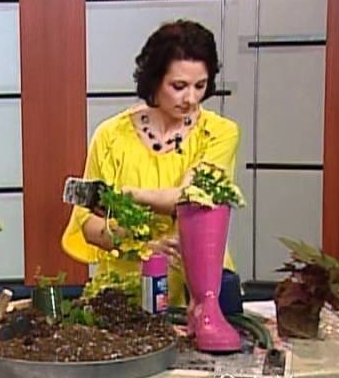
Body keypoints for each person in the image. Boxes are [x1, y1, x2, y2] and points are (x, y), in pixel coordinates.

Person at [62, 19, 242, 310]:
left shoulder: (220, 133)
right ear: (154, 80)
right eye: (179, 86)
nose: (191, 98)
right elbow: (89, 224)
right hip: (124, 296)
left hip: (198, 292)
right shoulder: (111, 136)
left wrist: (131, 196)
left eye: (201, 85)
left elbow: (190, 197)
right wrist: (142, 247)